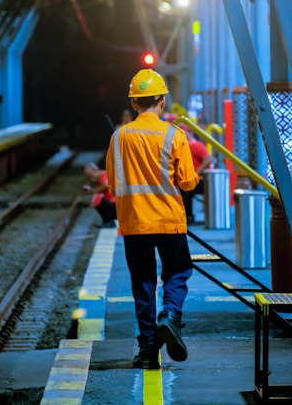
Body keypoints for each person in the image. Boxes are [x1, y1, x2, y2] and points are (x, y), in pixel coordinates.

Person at [106, 68, 199, 370]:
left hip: (134, 223)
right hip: (169, 221)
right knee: (177, 273)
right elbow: (187, 182)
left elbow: (112, 183)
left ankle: (147, 351)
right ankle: (170, 315)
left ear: (134, 104)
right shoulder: (174, 135)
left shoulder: (118, 136)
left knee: (143, 283)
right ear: (162, 102)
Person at [181, 124, 213, 224]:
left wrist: (196, 173)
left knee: (185, 187)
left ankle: (188, 216)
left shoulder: (195, 145)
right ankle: (187, 216)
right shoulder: (183, 146)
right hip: (194, 178)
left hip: (203, 180)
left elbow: (209, 158)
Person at [83, 162, 117, 228]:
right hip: (114, 205)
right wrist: (91, 190)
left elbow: (106, 184)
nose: (92, 179)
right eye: (89, 178)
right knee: (98, 197)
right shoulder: (101, 177)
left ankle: (109, 221)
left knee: (97, 198)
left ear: (96, 170)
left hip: (117, 205)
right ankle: (107, 220)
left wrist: (94, 191)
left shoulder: (104, 175)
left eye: (92, 176)